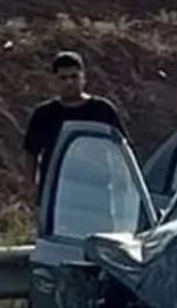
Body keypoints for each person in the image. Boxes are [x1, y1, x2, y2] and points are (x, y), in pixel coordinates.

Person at [22, 51, 127, 202]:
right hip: (55, 193)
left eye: (74, 77)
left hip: (96, 191)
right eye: (63, 78)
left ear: (84, 78)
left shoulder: (102, 110)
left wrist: (122, 181)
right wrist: (30, 185)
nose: (69, 83)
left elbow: (120, 149)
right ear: (54, 81)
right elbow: (31, 152)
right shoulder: (43, 114)